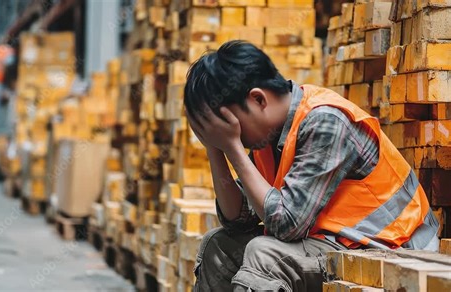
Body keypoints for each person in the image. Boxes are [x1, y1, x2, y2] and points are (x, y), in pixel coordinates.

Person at [184, 40, 439, 292]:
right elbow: (238, 221)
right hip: (336, 245)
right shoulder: (268, 136)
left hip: (392, 251)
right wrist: (215, 148)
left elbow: (286, 225)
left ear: (258, 100)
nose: (234, 135)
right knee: (217, 245)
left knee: (265, 255)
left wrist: (232, 148)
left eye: (231, 126)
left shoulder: (325, 121)